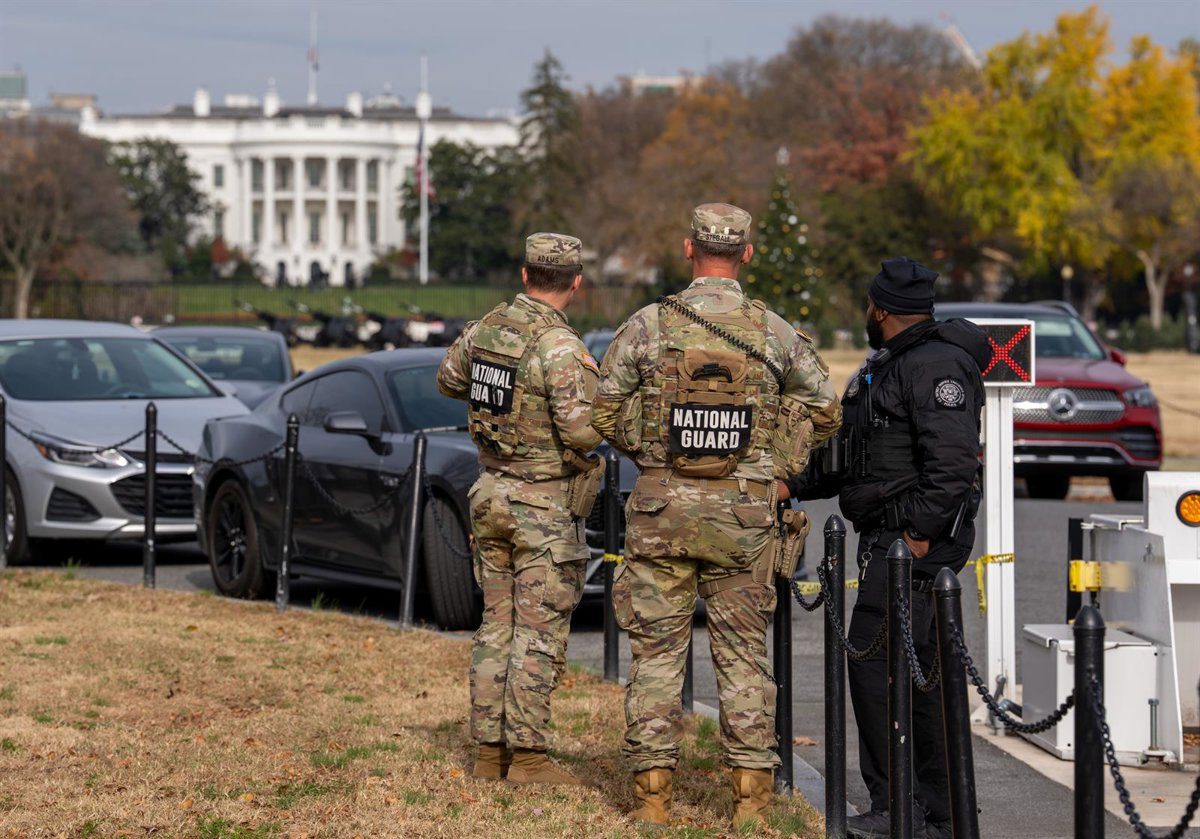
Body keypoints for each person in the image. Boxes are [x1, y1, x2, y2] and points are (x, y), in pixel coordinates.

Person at [592, 203, 841, 827]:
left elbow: (602, 410)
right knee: (743, 656)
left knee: (655, 657)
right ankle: (751, 807)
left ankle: (652, 800)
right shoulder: (774, 332)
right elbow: (826, 408)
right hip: (745, 518)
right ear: (746, 254)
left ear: (688, 249)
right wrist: (774, 465)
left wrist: (652, 452)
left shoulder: (649, 325)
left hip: (661, 511)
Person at [791, 257, 989, 839]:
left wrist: (917, 538)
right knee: (905, 679)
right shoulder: (888, 366)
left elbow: (953, 466)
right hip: (889, 543)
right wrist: (793, 485)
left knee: (890, 675)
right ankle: (924, 809)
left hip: (915, 553)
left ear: (880, 309)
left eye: (869, 307)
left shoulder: (935, 366)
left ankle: (908, 806)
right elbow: (851, 454)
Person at [437, 232, 603, 786]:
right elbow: (582, 432)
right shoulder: (559, 346)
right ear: (575, 283)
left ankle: (488, 753)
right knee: (537, 631)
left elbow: (448, 378)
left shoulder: (488, 329)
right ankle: (528, 759)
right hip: (543, 506)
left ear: (526, 273)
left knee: (496, 625)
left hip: (491, 495)